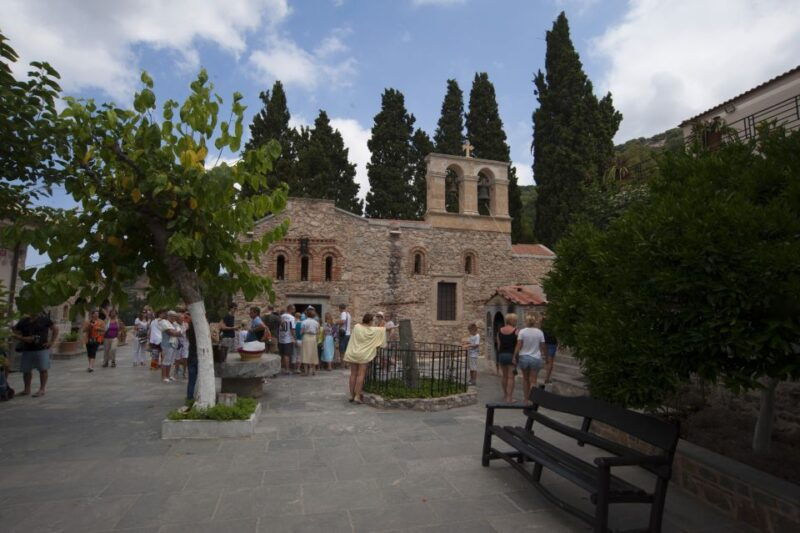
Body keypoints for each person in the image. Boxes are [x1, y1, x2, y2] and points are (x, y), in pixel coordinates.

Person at [12, 311, 58, 397]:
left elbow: (55, 329)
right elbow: (15, 329)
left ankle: (42, 389)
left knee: (43, 369)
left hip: (41, 348)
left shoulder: (44, 319)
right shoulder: (24, 321)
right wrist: (17, 333)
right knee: (26, 370)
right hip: (27, 349)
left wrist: (51, 342)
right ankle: (27, 389)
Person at [343, 313, 386, 403]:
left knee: (353, 374)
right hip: (363, 355)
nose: (373, 323)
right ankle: (357, 396)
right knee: (360, 375)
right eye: (372, 321)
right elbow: (383, 330)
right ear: (370, 321)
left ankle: (352, 395)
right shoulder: (371, 330)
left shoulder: (356, 327)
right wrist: (395, 327)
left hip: (353, 353)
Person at [513, 314, 547, 404]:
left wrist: (514, 356)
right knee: (533, 380)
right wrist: (546, 357)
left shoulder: (522, 332)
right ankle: (532, 399)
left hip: (524, 357)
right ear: (534, 322)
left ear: (526, 321)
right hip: (536, 358)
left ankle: (526, 398)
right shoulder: (539, 332)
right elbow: (543, 346)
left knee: (525, 379)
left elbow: (519, 345)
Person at [495, 313, 519, 402]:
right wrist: (515, 356)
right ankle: (509, 398)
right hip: (511, 356)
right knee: (511, 378)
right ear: (512, 320)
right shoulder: (516, 331)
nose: (516, 322)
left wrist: (499, 356)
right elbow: (518, 345)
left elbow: (498, 345)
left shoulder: (500, 331)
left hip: (502, 355)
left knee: (504, 377)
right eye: (515, 320)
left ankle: (505, 395)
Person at [159, 310, 181, 383]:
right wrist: (176, 332)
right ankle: (163, 376)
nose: (174, 318)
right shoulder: (164, 322)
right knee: (165, 361)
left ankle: (168, 375)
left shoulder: (174, 323)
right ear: (169, 316)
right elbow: (171, 333)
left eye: (175, 316)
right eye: (173, 316)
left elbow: (179, 332)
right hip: (166, 344)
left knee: (170, 361)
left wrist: (176, 332)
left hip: (174, 344)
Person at [300, 308, 320, 376]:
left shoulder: (304, 322)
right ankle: (313, 370)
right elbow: (318, 332)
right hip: (313, 338)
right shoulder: (316, 322)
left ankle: (306, 371)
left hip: (306, 337)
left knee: (305, 353)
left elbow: (301, 331)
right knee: (313, 353)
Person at [277, 305, 296, 374]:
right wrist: (294, 337)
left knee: (281, 354)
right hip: (288, 338)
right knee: (287, 355)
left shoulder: (281, 316)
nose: (294, 311)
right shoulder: (291, 318)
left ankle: (281, 368)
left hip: (281, 337)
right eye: (294, 309)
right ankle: (287, 369)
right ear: (291, 309)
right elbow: (292, 329)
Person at [540, 317, 558, 384]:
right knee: (550, 362)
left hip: (545, 343)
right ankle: (547, 378)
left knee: (547, 361)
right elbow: (557, 334)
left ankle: (547, 377)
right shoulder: (554, 323)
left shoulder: (543, 324)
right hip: (552, 343)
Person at [186, 315, 198, 401]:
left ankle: (189, 397)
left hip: (191, 355)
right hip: (196, 355)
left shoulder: (188, 330)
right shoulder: (198, 332)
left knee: (191, 380)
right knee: (198, 379)